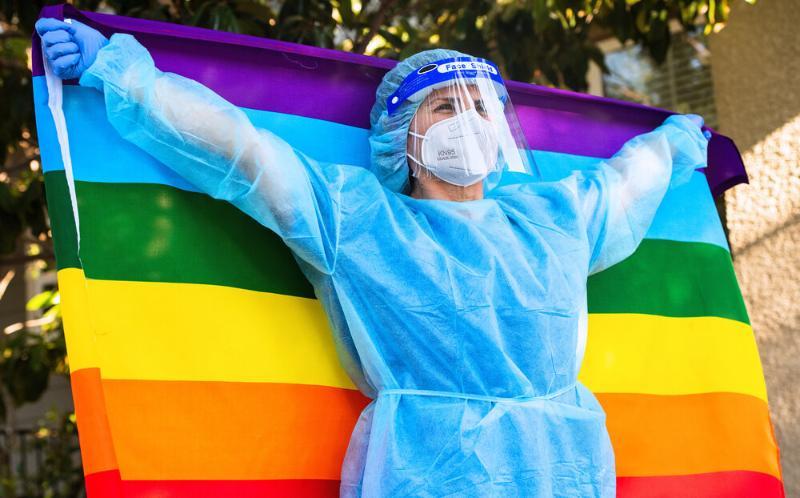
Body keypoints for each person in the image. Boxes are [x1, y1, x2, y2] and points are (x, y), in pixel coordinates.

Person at [36, 17, 709, 498]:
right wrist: (121, 73)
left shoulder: (555, 218)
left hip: (567, 468)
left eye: (481, 106)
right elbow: (238, 152)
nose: (468, 120)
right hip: (427, 471)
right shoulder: (359, 217)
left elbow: (629, 182)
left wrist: (678, 143)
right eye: (445, 105)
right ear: (400, 134)